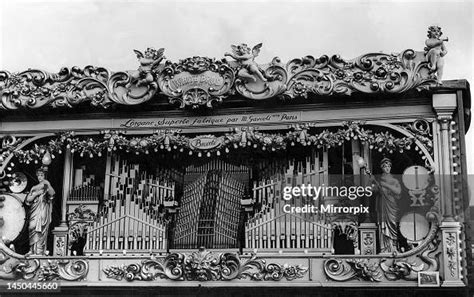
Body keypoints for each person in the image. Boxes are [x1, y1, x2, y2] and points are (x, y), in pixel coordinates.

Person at [372, 158, 401, 253]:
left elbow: (398, 191)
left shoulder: (394, 180)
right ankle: (384, 247)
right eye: (385, 166)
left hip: (391, 204)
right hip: (382, 204)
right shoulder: (379, 180)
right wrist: (372, 183)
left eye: (389, 166)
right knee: (382, 225)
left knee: (392, 224)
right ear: (382, 168)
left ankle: (393, 246)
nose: (387, 168)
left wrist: (385, 185)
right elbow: (373, 191)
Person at [25, 167, 55, 255]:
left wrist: (48, 185)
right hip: (35, 209)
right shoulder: (34, 187)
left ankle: (39, 251)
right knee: (31, 227)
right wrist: (36, 194)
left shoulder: (46, 185)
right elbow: (28, 199)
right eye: (38, 175)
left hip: (43, 208)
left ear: (45, 176)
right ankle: (31, 249)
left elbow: (52, 194)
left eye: (41, 175)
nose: (40, 177)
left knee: (41, 228)